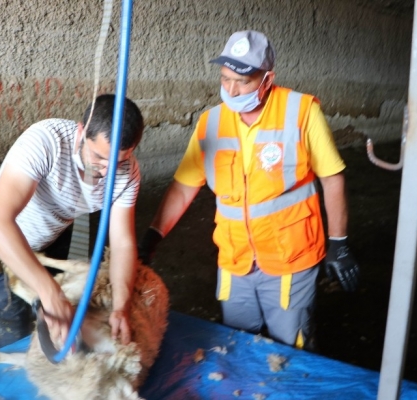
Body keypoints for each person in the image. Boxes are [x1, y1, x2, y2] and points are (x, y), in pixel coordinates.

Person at [138, 30, 360, 350]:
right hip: (235, 258)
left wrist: (338, 243)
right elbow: (184, 187)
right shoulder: (210, 123)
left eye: (243, 81)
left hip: (290, 258)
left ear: (268, 79)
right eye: (225, 79)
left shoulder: (301, 112)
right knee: (236, 344)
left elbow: (332, 178)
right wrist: (152, 238)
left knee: (289, 349)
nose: (232, 89)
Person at [0, 94, 144, 350]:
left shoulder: (127, 173)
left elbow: (122, 242)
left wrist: (121, 306)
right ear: (81, 132)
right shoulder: (45, 141)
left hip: (55, 237)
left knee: (64, 318)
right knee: (8, 319)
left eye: (118, 161)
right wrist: (49, 291)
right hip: (2, 242)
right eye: (99, 157)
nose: (108, 171)